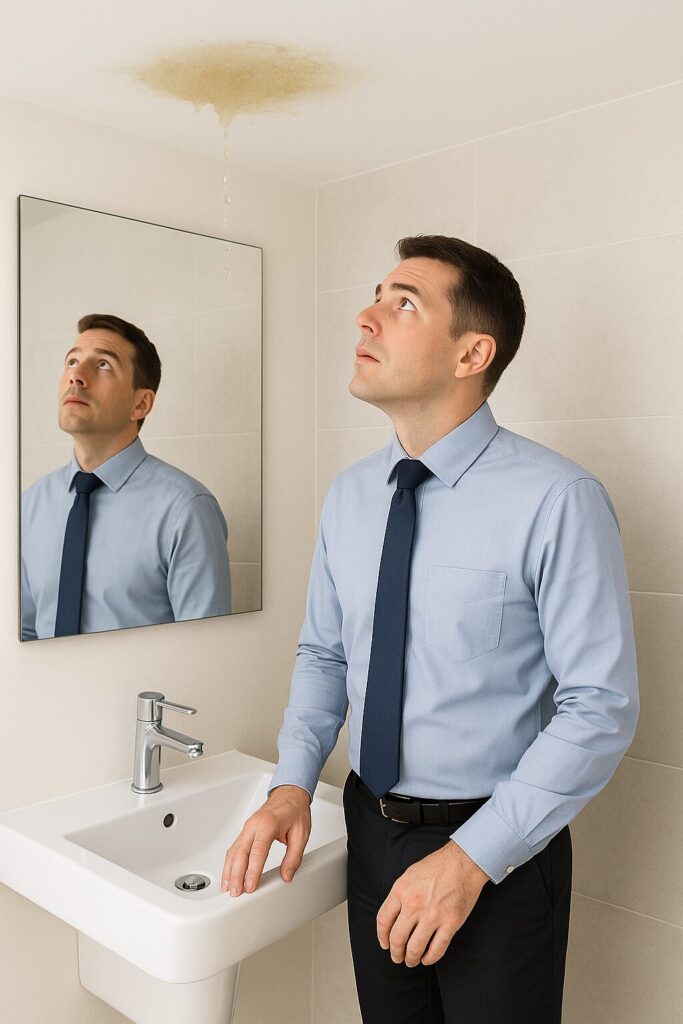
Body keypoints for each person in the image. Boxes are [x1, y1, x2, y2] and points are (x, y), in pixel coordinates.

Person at [220, 235, 639, 1023]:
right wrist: (290, 783)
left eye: (402, 303)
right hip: (367, 830)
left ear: (470, 352)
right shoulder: (348, 497)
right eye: (376, 294)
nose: (365, 316)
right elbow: (324, 653)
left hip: (497, 851)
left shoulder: (557, 499)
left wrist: (471, 859)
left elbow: (600, 706)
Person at [21, 313, 231, 639]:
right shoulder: (30, 505)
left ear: (141, 404)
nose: (77, 375)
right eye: (72, 361)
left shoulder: (185, 509)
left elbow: (205, 652)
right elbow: (25, 633)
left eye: (103, 364)